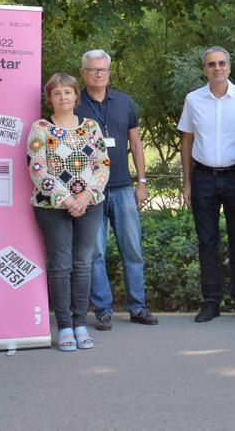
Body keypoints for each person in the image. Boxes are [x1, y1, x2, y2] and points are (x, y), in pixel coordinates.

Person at [75, 49, 158, 330]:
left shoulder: (124, 102)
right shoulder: (75, 106)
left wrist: (142, 182)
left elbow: (136, 144)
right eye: (94, 70)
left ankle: (138, 307)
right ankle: (103, 309)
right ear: (83, 73)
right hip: (90, 191)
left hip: (123, 187)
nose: (99, 74)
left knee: (132, 250)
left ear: (110, 72)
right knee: (95, 252)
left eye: (104, 70)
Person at [27, 72, 110, 351]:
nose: (63, 97)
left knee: (84, 263)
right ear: (49, 98)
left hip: (90, 204)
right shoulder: (41, 128)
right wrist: (66, 199)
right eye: (57, 92)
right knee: (61, 264)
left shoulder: (91, 127)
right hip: (52, 207)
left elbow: (102, 164)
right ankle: (63, 326)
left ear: (76, 96)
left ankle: (80, 324)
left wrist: (85, 196)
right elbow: (38, 168)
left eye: (68, 92)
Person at [179, 47, 235, 323]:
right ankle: (211, 301)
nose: (217, 68)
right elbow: (187, 141)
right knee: (207, 241)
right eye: (211, 64)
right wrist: (187, 182)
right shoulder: (193, 100)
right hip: (203, 177)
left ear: (229, 66)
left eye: (222, 63)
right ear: (204, 69)